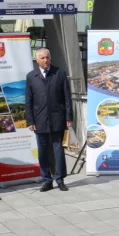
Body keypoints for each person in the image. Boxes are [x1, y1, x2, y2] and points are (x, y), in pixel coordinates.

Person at [25, 48, 73, 192]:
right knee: (43, 151)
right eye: (43, 58)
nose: (46, 61)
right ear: (37, 60)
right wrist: (30, 120)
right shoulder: (31, 76)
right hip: (40, 120)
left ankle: (60, 179)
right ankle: (46, 180)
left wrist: (69, 116)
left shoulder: (59, 73)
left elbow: (67, 97)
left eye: (48, 57)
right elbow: (29, 100)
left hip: (57, 119)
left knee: (58, 150)